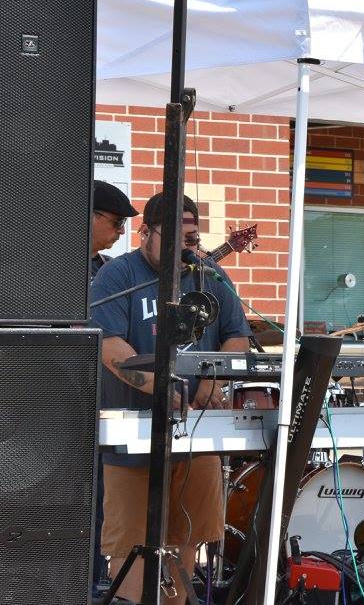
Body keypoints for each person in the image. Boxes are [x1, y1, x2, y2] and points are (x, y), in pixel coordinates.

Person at [91, 193, 250, 605]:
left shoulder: (211, 276)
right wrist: (161, 387)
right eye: (175, 237)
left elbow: (237, 334)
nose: (186, 248)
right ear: (145, 233)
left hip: (197, 435)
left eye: (193, 238)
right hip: (133, 435)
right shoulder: (119, 276)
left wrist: (213, 380)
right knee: (130, 550)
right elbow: (111, 349)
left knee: (186, 544)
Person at [89, 180, 139, 596]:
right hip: (54, 400)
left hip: (102, 400)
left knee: (99, 498)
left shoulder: (108, 271)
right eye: (116, 221)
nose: (121, 231)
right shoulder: (44, 269)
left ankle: (99, 578)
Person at [91, 180, 139, 277]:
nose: (122, 231)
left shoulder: (112, 269)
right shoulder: (54, 264)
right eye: (118, 222)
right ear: (90, 217)